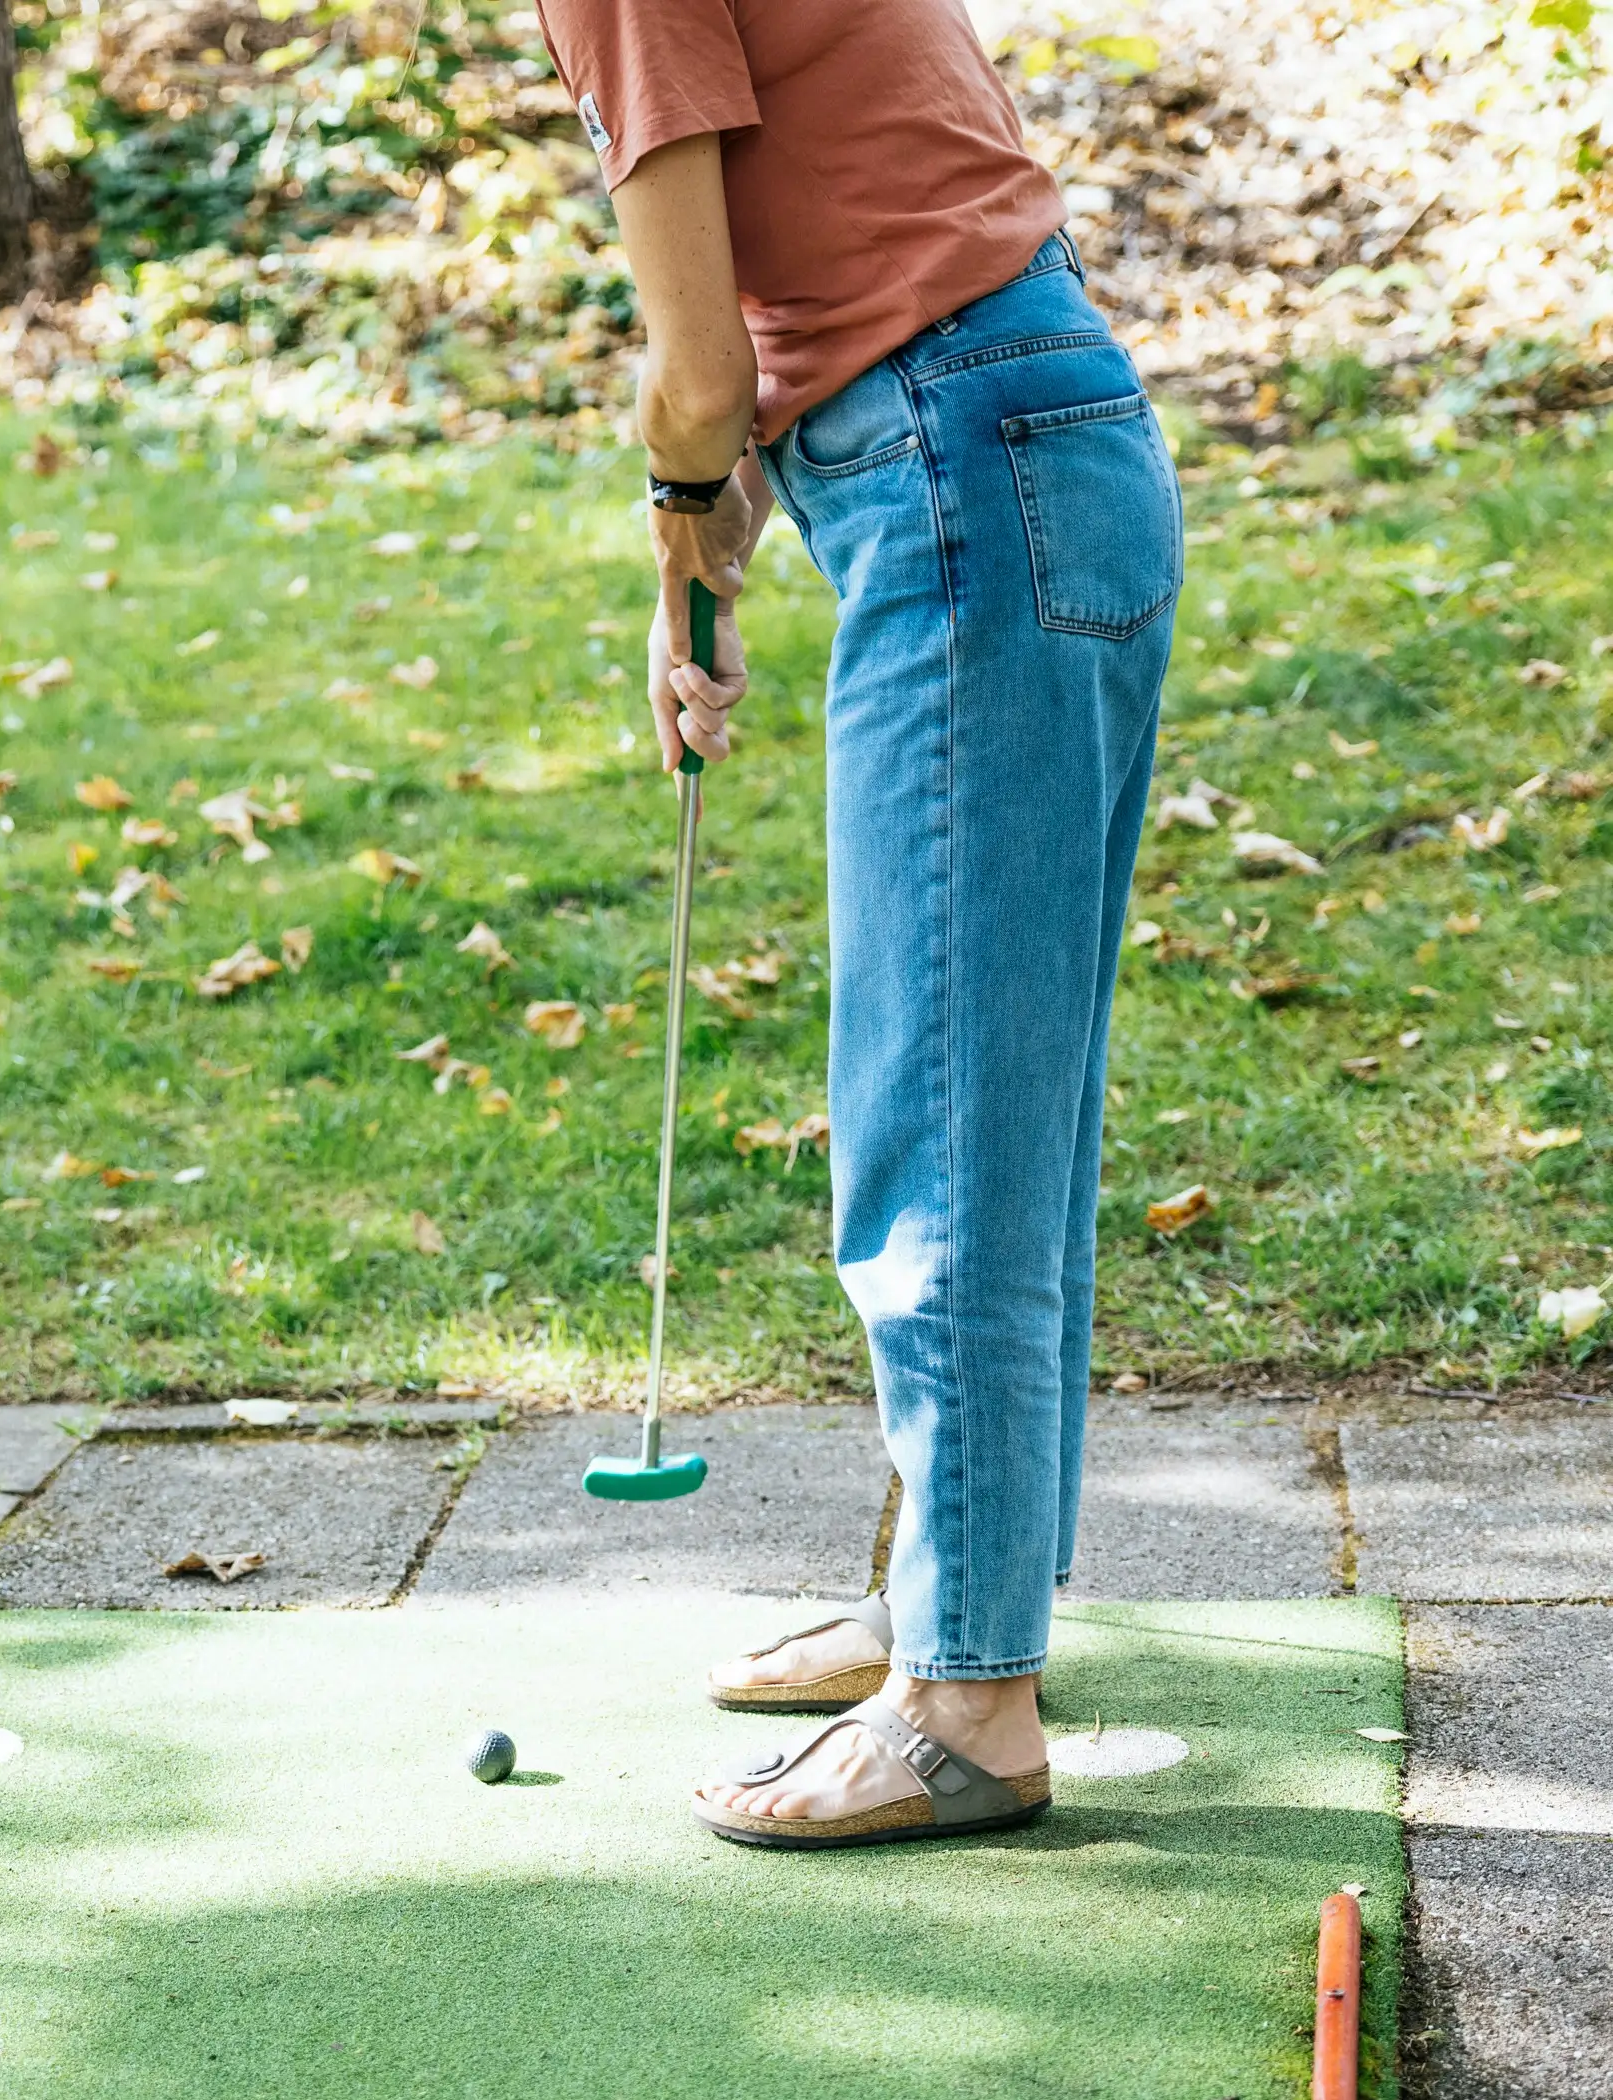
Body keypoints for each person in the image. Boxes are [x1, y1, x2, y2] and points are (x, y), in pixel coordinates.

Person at [531, 0, 1182, 1846]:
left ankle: (968, 1700)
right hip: (1033, 422)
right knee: (1003, 1100)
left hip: (961, 465)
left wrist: (681, 500)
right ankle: (951, 1614)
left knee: (946, 1109)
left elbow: (692, 363)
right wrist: (723, 519)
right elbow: (856, 205)